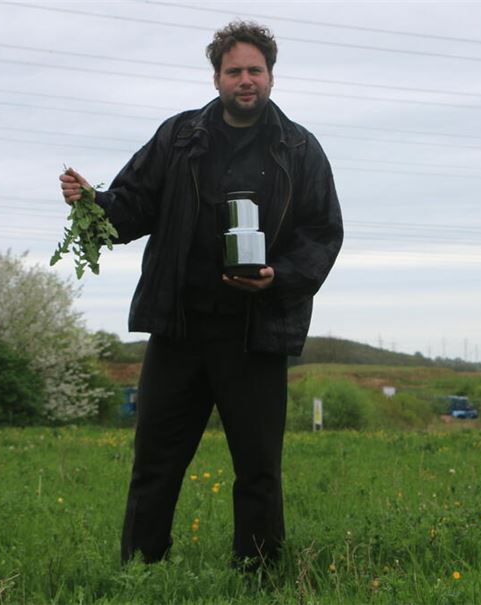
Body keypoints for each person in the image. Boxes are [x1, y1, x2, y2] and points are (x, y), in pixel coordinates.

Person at [58, 21, 343, 569]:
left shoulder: (300, 148)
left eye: (254, 70)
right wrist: (89, 202)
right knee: (156, 461)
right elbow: (130, 209)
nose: (245, 80)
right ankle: (141, 571)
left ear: (271, 77)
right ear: (216, 77)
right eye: (234, 70)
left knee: (258, 467)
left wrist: (277, 278)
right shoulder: (178, 137)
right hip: (180, 327)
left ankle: (258, 574)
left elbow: (322, 233)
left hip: (254, 332)